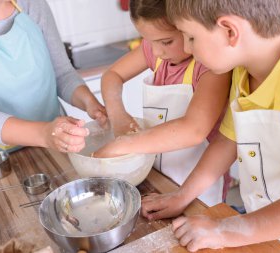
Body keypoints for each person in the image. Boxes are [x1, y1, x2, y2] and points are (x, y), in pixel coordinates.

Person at [141, 0, 280, 252]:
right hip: (258, 233)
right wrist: (183, 196)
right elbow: (227, 141)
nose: (188, 49)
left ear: (229, 31)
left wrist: (222, 231)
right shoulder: (244, 72)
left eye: (190, 37)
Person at [0, 0, 107, 228]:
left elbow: (63, 73)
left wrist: (90, 103)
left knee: (68, 223)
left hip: (50, 149)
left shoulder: (32, 5)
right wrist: (45, 133)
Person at [93, 0, 232, 206]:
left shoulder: (210, 67)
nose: (156, 52)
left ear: (187, 27)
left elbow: (194, 130)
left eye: (166, 42)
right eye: (148, 41)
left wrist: (125, 144)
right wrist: (118, 115)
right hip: (159, 175)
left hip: (199, 187)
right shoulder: (156, 52)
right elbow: (112, 75)